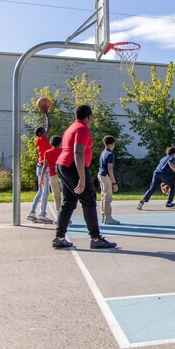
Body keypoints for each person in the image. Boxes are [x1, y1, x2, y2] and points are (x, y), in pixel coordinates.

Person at [53, 105, 116, 249]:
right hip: (73, 166)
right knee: (89, 199)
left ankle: (59, 237)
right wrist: (81, 177)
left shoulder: (71, 127)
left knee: (69, 201)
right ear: (89, 116)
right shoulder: (82, 129)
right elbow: (78, 152)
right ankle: (95, 238)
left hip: (63, 164)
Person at [27, 111, 53, 224]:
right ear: (41, 133)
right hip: (44, 166)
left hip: (40, 166)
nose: (45, 131)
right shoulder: (42, 139)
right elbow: (49, 125)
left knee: (41, 190)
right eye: (43, 131)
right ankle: (42, 214)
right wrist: (45, 113)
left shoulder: (39, 141)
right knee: (45, 192)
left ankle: (32, 212)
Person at [98, 135, 120, 225]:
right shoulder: (110, 154)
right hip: (105, 175)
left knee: (103, 196)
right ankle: (108, 217)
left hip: (100, 174)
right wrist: (114, 183)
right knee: (108, 197)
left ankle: (103, 216)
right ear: (112, 144)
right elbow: (110, 169)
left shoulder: (103, 152)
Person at [39, 135, 62, 221]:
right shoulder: (63, 151)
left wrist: (41, 178)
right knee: (66, 197)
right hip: (62, 176)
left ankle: (59, 215)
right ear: (59, 143)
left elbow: (45, 166)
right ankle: (65, 216)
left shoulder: (47, 153)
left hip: (52, 175)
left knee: (56, 196)